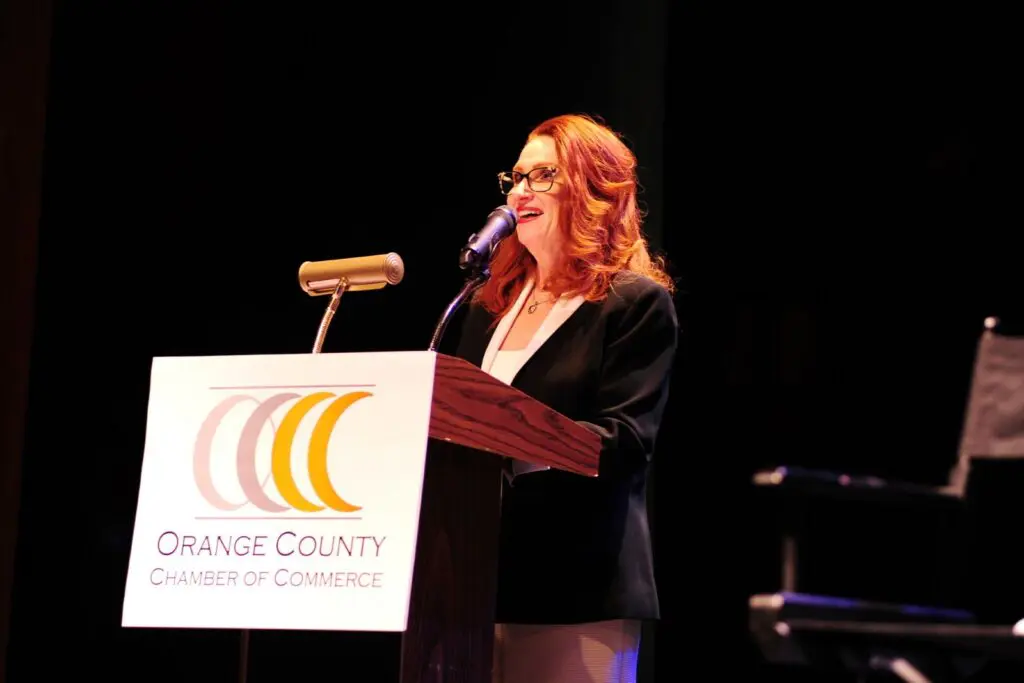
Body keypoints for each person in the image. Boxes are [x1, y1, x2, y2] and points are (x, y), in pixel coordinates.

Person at [453, 113, 679, 683]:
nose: (520, 192)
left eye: (543, 175)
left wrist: (509, 442)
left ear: (593, 189)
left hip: (579, 586)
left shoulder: (632, 303)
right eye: (517, 177)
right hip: (473, 583)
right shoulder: (488, 304)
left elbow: (625, 441)